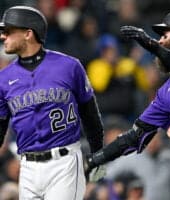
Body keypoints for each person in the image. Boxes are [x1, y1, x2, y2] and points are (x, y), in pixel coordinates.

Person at [85, 10, 170, 200]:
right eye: (158, 39)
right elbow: (135, 137)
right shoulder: (167, 92)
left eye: (164, 36)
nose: (160, 41)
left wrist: (151, 45)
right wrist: (96, 158)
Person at [0, 5, 104, 200]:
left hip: (64, 163)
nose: (2, 36)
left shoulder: (69, 66)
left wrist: (98, 154)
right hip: (28, 168)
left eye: (8, 31)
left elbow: (90, 114)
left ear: (28, 34)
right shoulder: (4, 78)